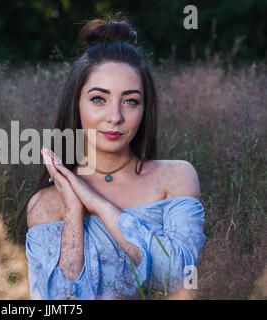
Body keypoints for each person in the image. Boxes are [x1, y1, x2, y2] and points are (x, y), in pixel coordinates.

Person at [20, 16, 207, 300]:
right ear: (76, 103)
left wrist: (98, 205)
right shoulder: (46, 204)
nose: (115, 117)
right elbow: (56, 302)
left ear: (145, 109)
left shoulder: (175, 178)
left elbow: (178, 275)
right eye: (98, 99)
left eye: (130, 101)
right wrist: (74, 210)